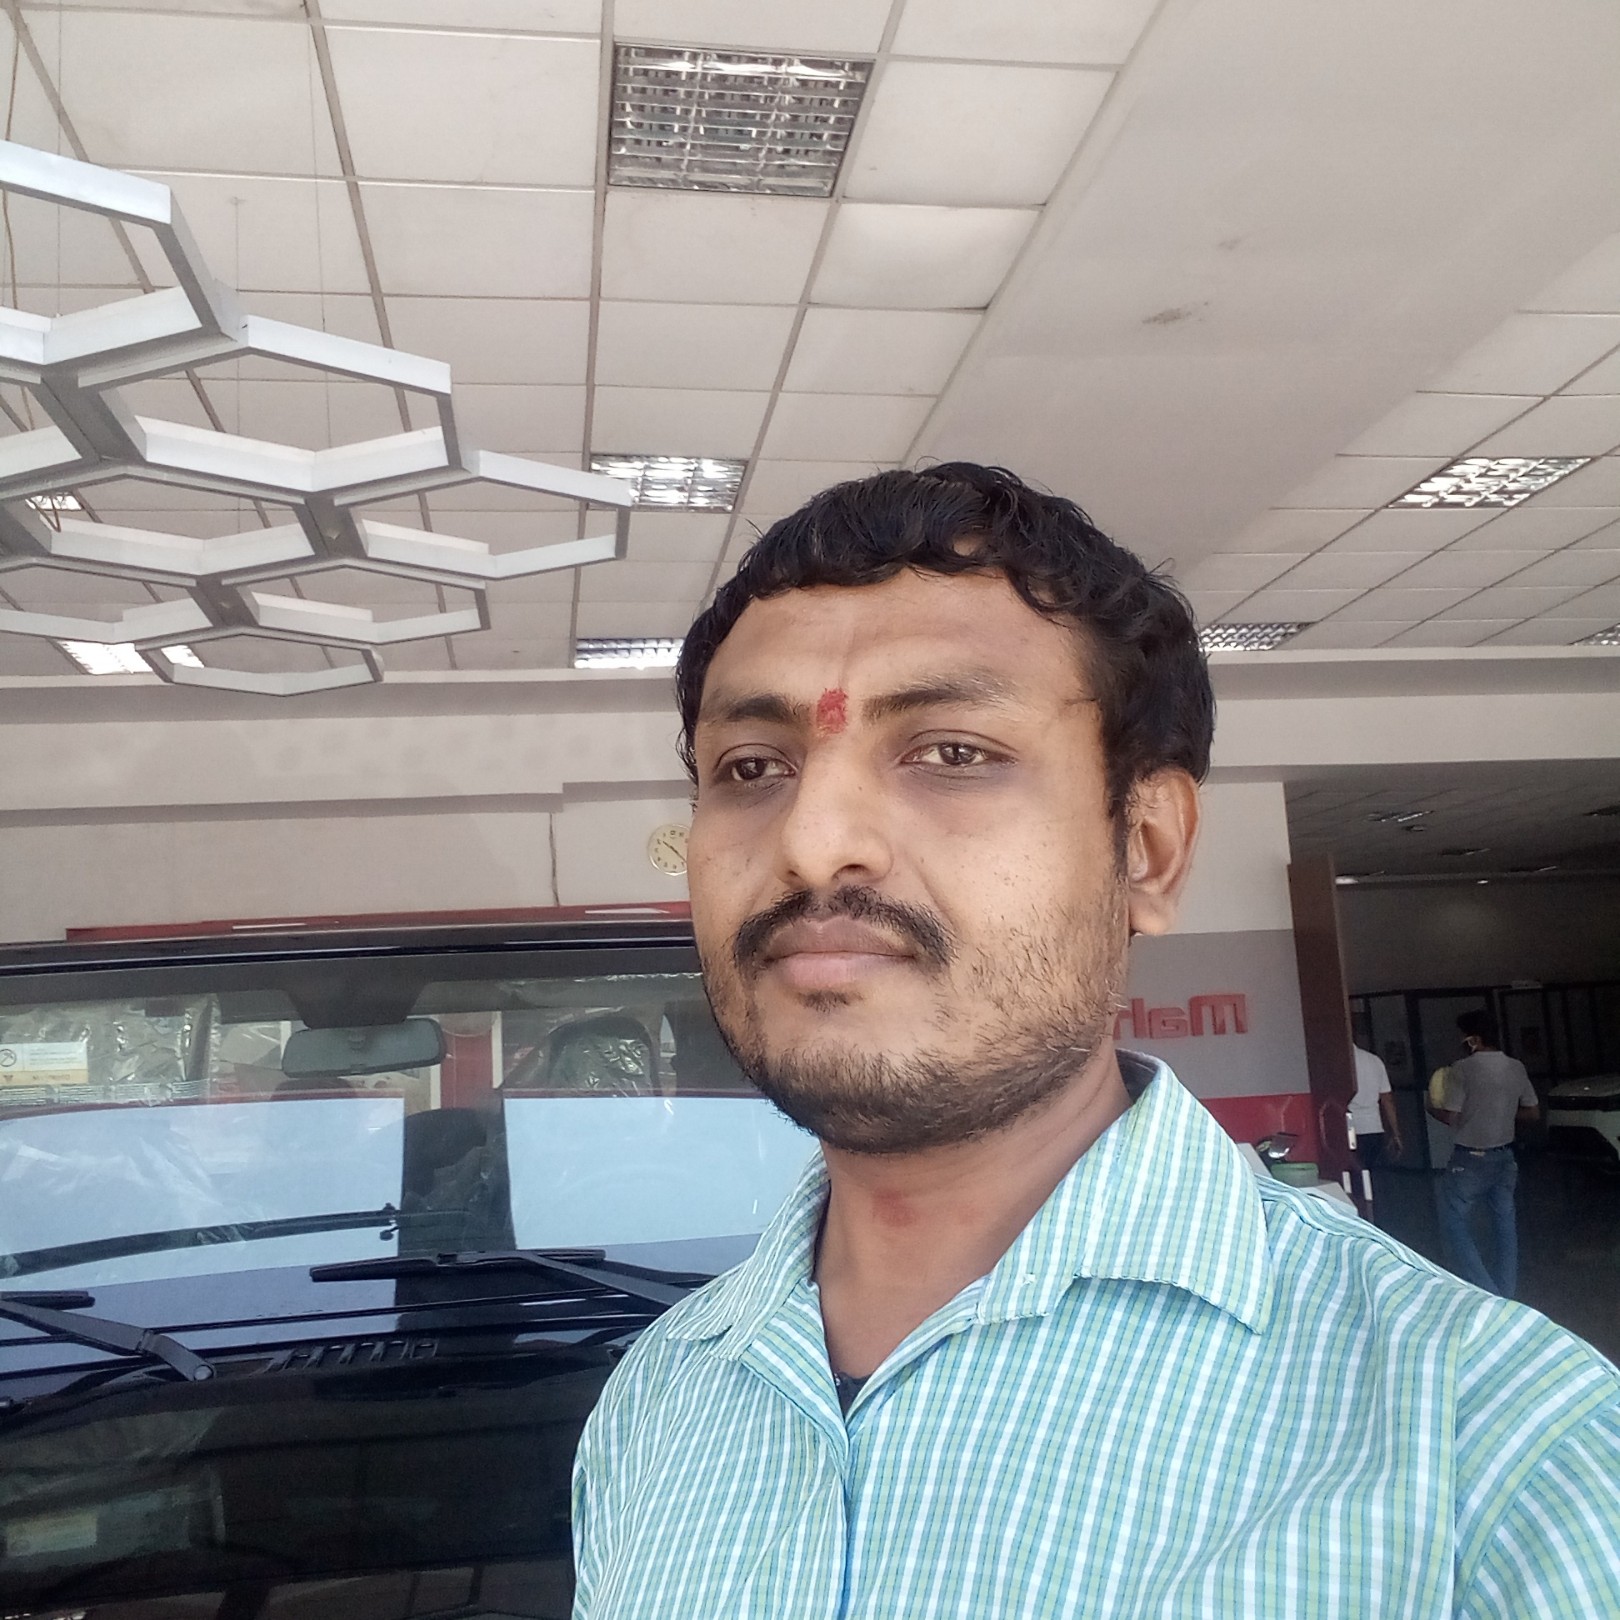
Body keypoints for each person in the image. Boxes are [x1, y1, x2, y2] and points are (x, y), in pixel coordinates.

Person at [571, 464, 1620, 1617]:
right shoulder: (658, 1399)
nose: (811, 844)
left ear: (1149, 852)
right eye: (751, 769)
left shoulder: (1501, 1463)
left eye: (953, 752)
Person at [1428, 1010, 1539, 1298]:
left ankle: (1485, 1290)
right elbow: (1532, 1112)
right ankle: (1506, 1293)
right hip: (1505, 1158)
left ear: (1473, 1039)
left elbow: (1451, 1116)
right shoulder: (1516, 1067)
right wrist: (1502, 1112)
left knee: (1453, 1221)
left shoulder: (1462, 1069)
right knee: (1505, 1225)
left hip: (1470, 1160)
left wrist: (1431, 1107)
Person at [1349, 1037, 1403, 1168]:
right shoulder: (1374, 1060)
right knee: (1369, 1171)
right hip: (1374, 1128)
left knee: (1350, 1173)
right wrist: (1396, 1133)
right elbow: (1387, 1099)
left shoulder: (1338, 1061)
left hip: (1350, 1128)